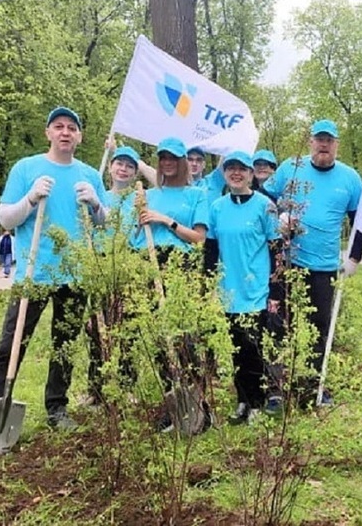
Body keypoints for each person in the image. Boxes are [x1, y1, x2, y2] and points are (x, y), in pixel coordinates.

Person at [0, 106, 107, 460]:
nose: (66, 132)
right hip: (33, 275)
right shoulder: (25, 168)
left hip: (75, 274)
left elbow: (105, 224)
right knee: (10, 346)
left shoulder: (88, 174)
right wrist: (30, 198)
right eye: (59, 127)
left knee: (64, 346)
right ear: (48, 133)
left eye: (72, 128)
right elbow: (5, 216)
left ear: (80, 136)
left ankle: (57, 408)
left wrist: (96, 203)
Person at [262, 119, 362, 406]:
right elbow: (263, 198)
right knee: (279, 324)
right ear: (311, 142)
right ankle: (275, 388)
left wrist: (355, 256)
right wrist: (278, 217)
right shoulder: (290, 168)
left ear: (336, 145)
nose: (324, 145)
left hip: (324, 267)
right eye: (319, 139)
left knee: (318, 326)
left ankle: (312, 387)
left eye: (329, 140)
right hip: (286, 263)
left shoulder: (350, 178)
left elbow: (360, 221)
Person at [131, 137, 210, 432]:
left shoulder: (196, 195)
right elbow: (132, 239)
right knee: (161, 339)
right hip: (149, 264)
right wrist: (140, 224)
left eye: (173, 158)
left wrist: (168, 221)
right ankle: (172, 404)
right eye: (162, 157)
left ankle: (198, 403)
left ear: (182, 162)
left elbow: (200, 238)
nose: (167, 163)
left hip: (182, 266)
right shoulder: (146, 195)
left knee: (185, 336)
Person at [204, 150, 281, 424]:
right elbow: (210, 250)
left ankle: (258, 403)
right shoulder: (217, 207)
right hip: (228, 291)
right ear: (224, 173)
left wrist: (276, 290)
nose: (236, 173)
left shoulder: (264, 206)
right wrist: (208, 285)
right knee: (235, 348)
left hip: (257, 290)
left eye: (242, 169)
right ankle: (242, 401)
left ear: (251, 174)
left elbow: (276, 248)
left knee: (254, 350)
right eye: (230, 169)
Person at [84, 145, 141, 406]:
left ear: (135, 172)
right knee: (97, 326)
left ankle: (127, 383)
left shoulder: (139, 199)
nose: (124, 169)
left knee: (126, 328)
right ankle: (95, 389)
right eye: (119, 163)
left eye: (130, 166)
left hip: (127, 264)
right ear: (110, 168)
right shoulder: (98, 196)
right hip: (101, 265)